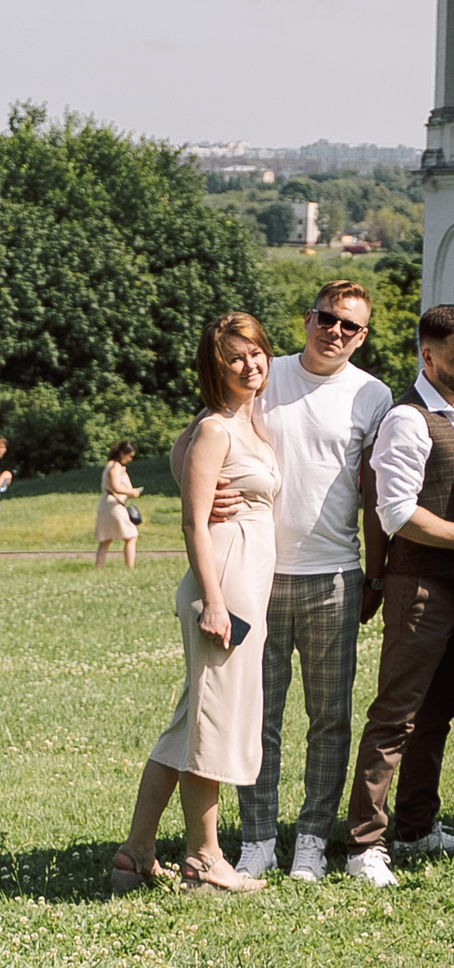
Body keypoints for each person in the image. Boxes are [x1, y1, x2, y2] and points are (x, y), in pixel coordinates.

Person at [111, 313, 280, 894]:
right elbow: (191, 522)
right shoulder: (216, 428)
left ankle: (134, 853)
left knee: (192, 723)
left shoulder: (245, 424)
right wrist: (213, 600)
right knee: (212, 724)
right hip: (223, 587)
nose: (249, 364)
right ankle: (204, 860)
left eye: (255, 352)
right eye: (235, 358)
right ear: (215, 368)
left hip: (244, 584)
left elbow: (185, 456)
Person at [236, 279, 394, 883]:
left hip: (335, 575)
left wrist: (374, 578)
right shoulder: (264, 376)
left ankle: (309, 839)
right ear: (307, 318)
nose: (335, 331)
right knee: (259, 717)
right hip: (259, 575)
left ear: (362, 337)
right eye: (326, 318)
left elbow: (378, 491)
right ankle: (257, 839)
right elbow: (210, 438)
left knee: (330, 717)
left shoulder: (372, 396)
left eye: (349, 326)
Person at [345, 306, 454, 884]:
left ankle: (414, 825)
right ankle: (365, 843)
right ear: (427, 357)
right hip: (421, 586)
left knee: (439, 713)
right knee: (396, 715)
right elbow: (395, 512)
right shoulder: (407, 420)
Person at [94, 442, 141, 570]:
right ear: (122, 454)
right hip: (114, 505)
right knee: (131, 536)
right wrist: (133, 492)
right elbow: (116, 487)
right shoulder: (115, 467)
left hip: (108, 504)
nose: (130, 459)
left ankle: (99, 568)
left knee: (105, 539)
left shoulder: (111, 465)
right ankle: (129, 567)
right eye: (129, 456)